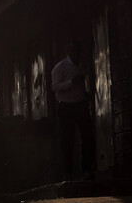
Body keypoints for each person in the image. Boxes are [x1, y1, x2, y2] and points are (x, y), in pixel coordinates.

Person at [51, 40, 94, 180]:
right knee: (67, 140)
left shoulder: (82, 65)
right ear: (69, 52)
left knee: (87, 137)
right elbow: (55, 87)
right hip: (66, 106)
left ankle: (86, 170)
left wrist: (85, 93)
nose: (77, 54)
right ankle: (67, 173)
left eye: (78, 51)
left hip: (80, 104)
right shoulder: (61, 67)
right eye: (74, 51)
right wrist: (71, 82)